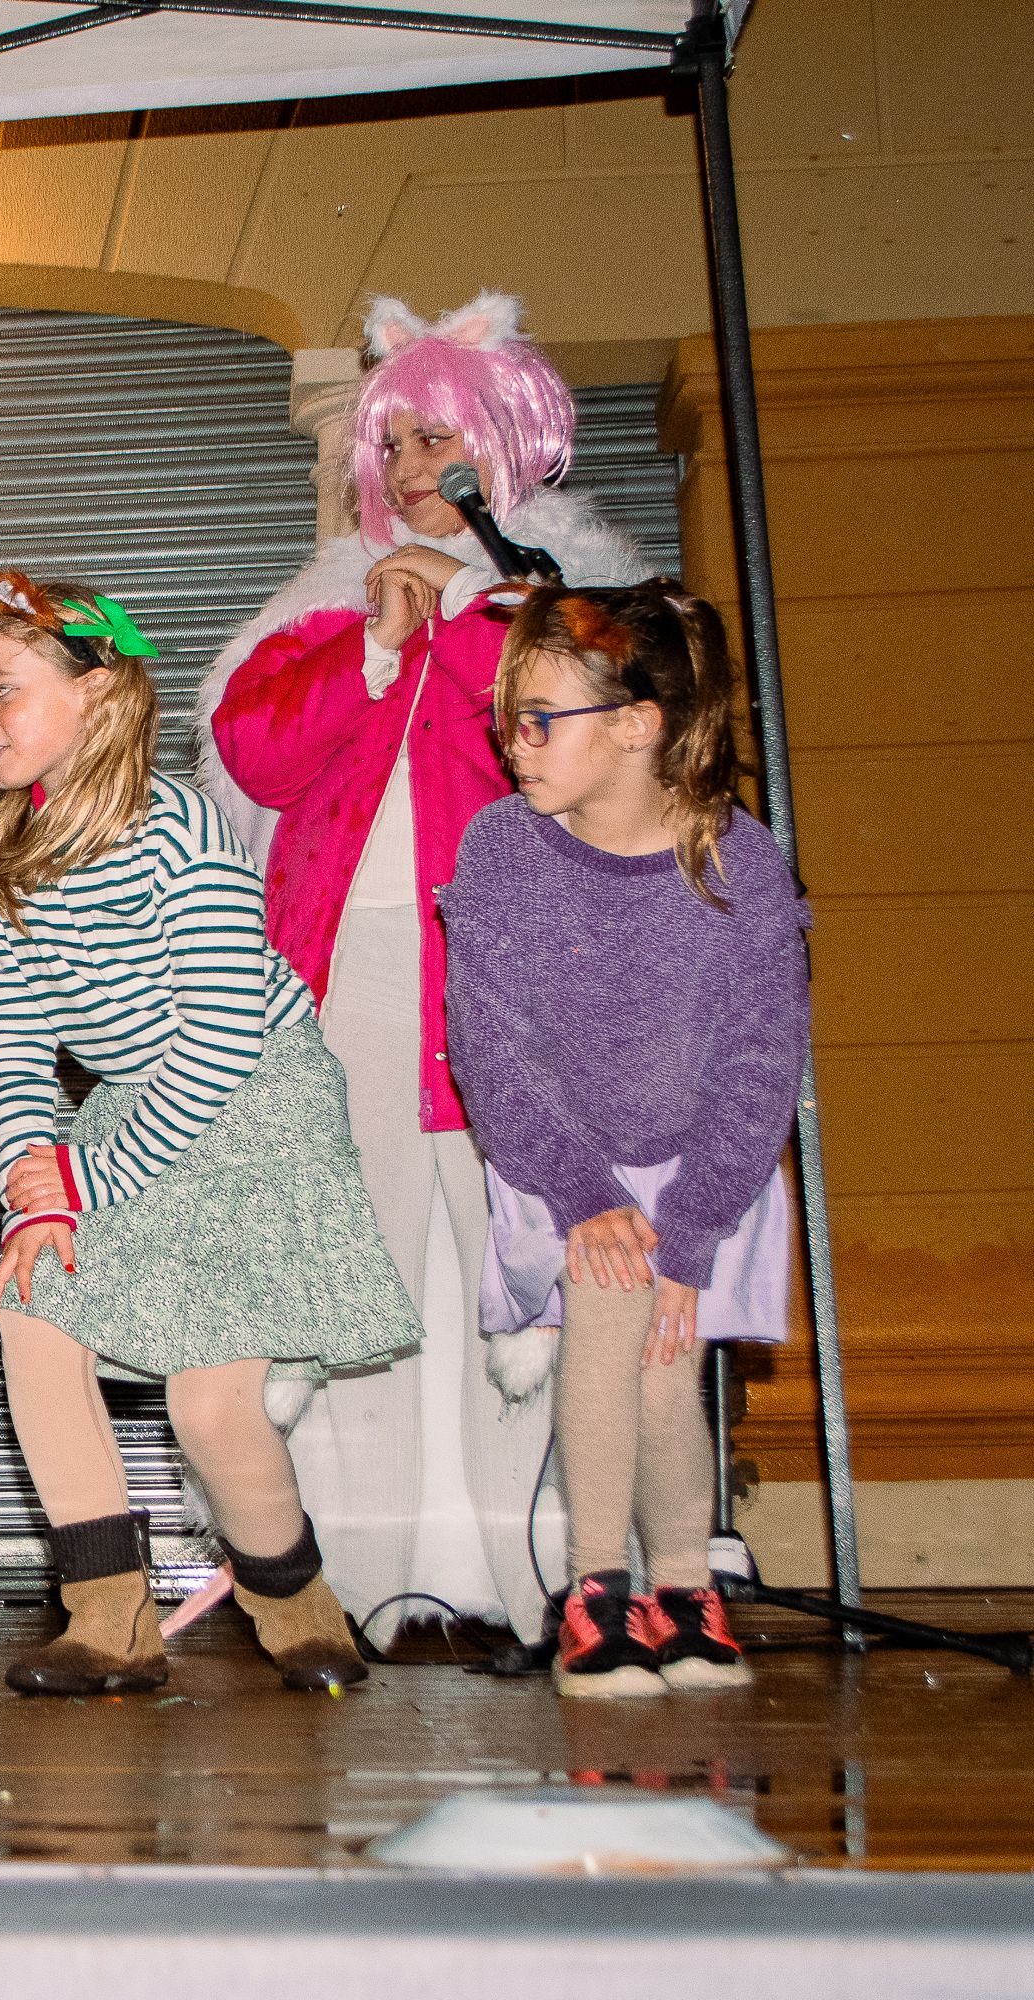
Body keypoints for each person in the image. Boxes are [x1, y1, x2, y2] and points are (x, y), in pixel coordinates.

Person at [200, 291, 647, 1646]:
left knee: (523, 1282)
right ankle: (361, 1581)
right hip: (350, 973)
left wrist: (459, 614)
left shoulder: (569, 609)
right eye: (391, 445)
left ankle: (549, 1582)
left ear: (498, 447)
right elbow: (255, 747)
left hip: (517, 979)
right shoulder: (330, 609)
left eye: (433, 441)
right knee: (359, 1275)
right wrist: (376, 644)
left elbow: (566, 730)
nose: (407, 470)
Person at [0, 572, 419, 1696]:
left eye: (4, 688)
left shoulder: (175, 827)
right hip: (136, 1105)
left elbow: (224, 1034)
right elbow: (11, 1045)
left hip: (252, 1104)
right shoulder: (8, 863)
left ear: (98, 690)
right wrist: (31, 1185)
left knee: (209, 1402)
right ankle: (109, 1619)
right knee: (34, 1317)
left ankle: (297, 1604)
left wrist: (84, 1178)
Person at [443, 582, 804, 1698]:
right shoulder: (502, 849)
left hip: (705, 1173)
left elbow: (762, 1060)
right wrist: (582, 1190)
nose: (514, 744)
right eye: (508, 719)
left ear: (639, 724)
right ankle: (596, 1593)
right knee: (609, 1312)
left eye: (539, 719)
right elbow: (490, 1042)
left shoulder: (737, 861)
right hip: (560, 1161)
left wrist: (693, 1224)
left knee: (664, 1365)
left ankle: (683, 1588)